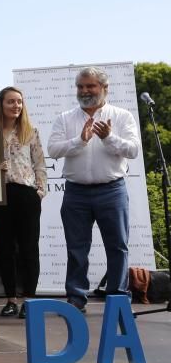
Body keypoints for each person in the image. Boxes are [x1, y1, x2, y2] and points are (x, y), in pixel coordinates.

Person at [47, 66, 141, 312]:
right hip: (76, 192)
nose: (85, 91)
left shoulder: (121, 116)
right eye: (81, 86)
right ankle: (76, 299)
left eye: (90, 86)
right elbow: (53, 150)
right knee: (77, 247)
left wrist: (109, 137)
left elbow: (132, 150)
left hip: (112, 190)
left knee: (118, 245)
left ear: (104, 88)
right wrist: (80, 141)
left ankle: (118, 298)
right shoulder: (65, 118)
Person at [0, 87, 46, 318]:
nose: (16, 106)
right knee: (5, 249)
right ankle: (11, 299)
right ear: (1, 105)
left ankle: (29, 300)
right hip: (1, 195)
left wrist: (40, 191)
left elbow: (40, 164)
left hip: (26, 194)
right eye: (11, 102)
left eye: (19, 102)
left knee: (29, 249)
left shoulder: (30, 132)